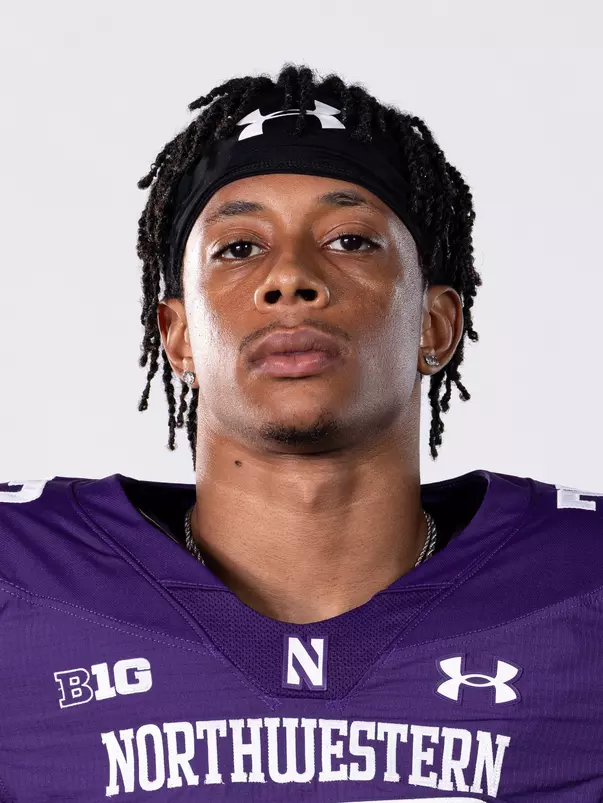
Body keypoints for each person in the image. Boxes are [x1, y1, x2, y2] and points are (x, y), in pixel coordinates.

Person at [0, 63, 601, 802]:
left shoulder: (581, 585)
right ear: (178, 335)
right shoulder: (22, 578)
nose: (290, 277)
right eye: (238, 248)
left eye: (350, 240)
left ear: (436, 324)